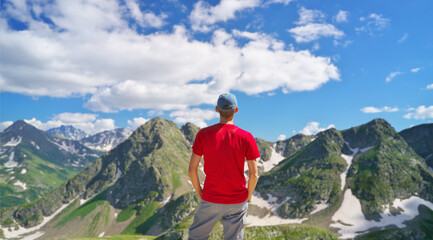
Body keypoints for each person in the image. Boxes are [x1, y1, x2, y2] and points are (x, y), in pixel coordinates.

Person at [188, 92, 260, 240]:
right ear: (236, 110)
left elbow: (192, 169)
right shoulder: (246, 137)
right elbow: (254, 174)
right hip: (237, 200)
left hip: (211, 197)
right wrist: (249, 197)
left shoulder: (203, 134)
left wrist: (199, 192)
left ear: (216, 109)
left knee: (196, 237)